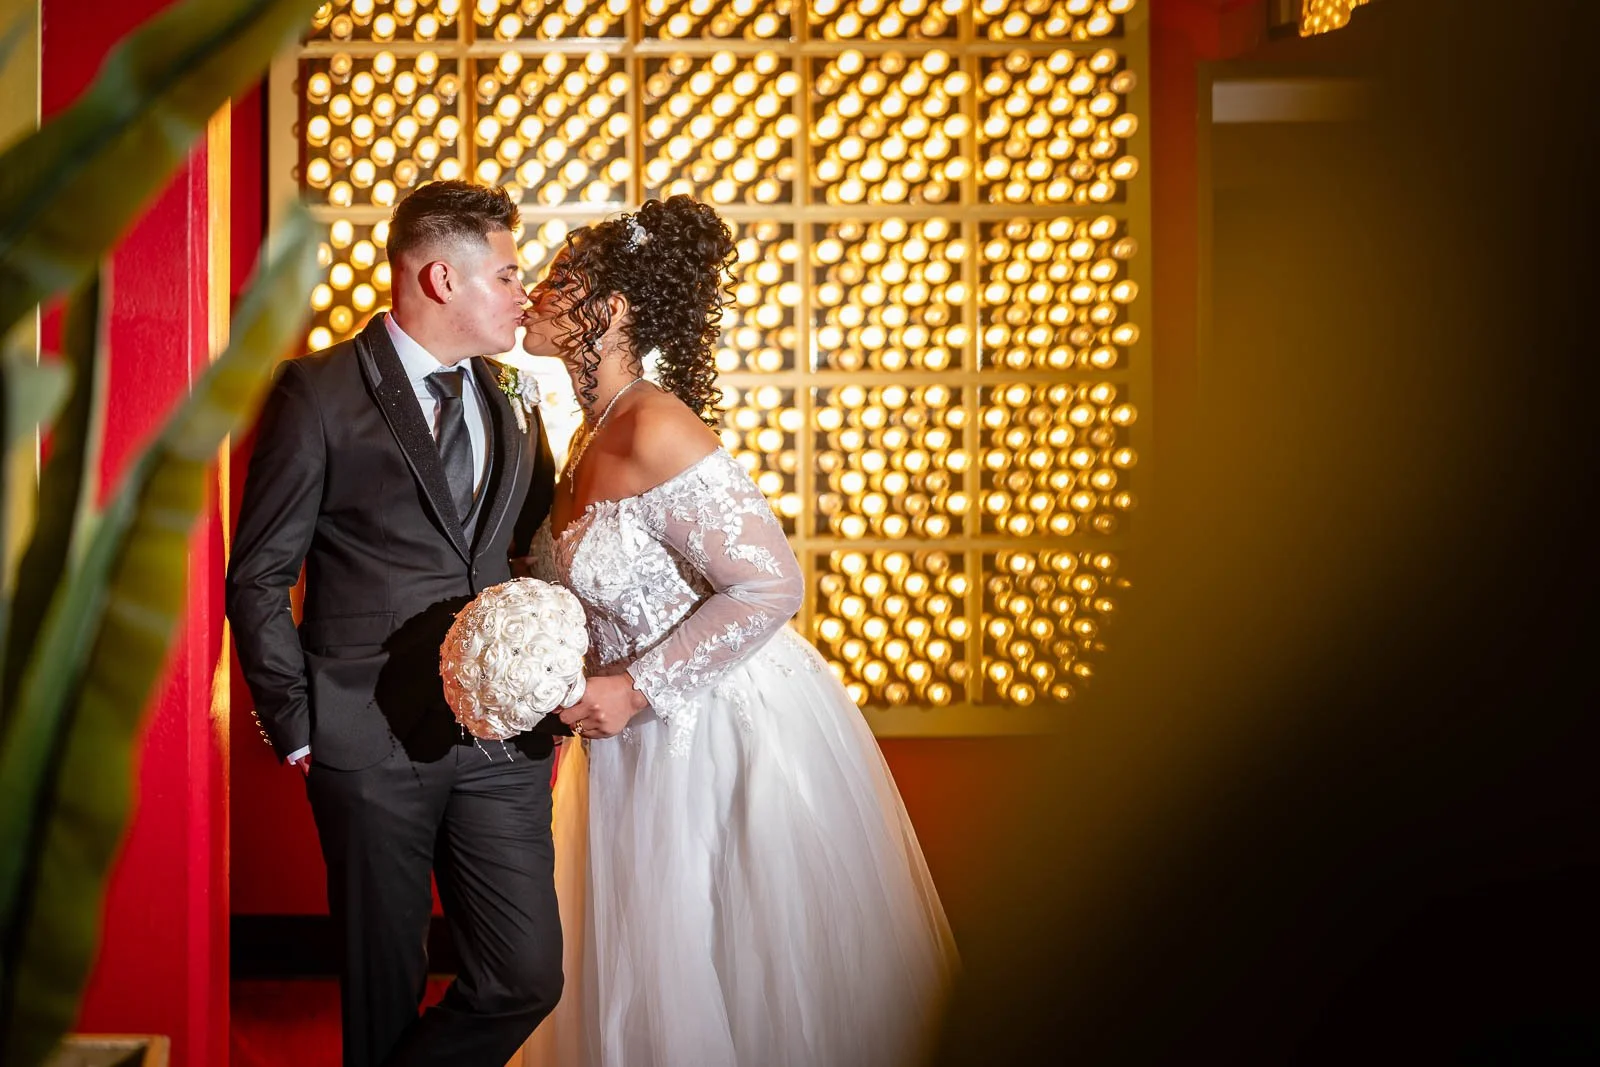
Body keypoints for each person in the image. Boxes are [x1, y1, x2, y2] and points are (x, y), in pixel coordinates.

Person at [512, 195, 957, 1067]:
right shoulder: (585, 435)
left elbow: (770, 583)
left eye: (563, 278)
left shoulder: (656, 424)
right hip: (625, 746)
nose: (535, 291)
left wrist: (635, 687)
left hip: (710, 732)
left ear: (619, 310)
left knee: (715, 968)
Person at [226, 180, 566, 1067]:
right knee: (381, 993)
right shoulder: (318, 391)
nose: (521, 292)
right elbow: (260, 572)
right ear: (442, 279)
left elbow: (538, 551)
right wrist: (298, 724)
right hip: (364, 735)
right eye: (507, 272)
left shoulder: (516, 397)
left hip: (502, 744)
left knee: (525, 975)